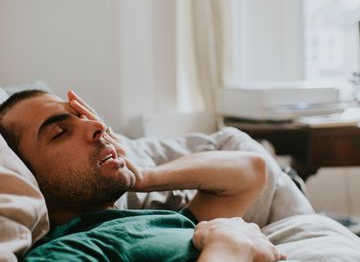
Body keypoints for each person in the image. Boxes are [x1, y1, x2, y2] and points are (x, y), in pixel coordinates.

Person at [0, 89, 287, 261]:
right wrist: (229, 248)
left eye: (86, 118)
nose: (97, 126)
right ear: (25, 172)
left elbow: (252, 171)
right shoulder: (69, 250)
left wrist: (146, 176)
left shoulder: (166, 222)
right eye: (60, 132)